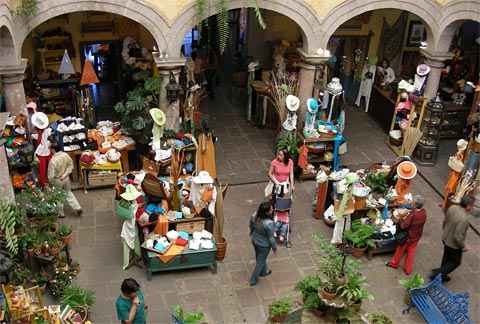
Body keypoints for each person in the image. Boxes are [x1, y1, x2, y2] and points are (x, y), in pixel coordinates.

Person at [430, 195, 475, 282]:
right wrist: (463, 246)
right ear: (468, 206)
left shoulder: (452, 208)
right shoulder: (463, 219)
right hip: (453, 244)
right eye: (472, 205)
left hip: (446, 237)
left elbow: (445, 221)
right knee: (455, 262)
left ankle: (442, 276)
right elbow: (458, 236)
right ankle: (437, 273)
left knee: (446, 257)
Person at [386, 195, 427, 275]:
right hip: (417, 236)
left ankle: (394, 264)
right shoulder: (423, 212)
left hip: (409, 237)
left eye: (412, 203)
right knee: (411, 252)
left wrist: (400, 219)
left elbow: (403, 225)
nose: (411, 204)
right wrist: (409, 211)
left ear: (415, 205)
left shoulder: (413, 215)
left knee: (400, 250)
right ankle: (408, 269)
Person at [47, 138, 82, 218]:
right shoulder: (65, 155)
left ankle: (61, 213)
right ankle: (77, 207)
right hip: (66, 178)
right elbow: (71, 166)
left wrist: (50, 183)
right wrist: (65, 174)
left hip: (57, 180)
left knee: (59, 196)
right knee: (68, 192)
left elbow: (51, 176)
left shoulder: (53, 161)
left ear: (53, 149)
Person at [249, 201, 277, 286]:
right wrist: (274, 248)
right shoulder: (269, 224)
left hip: (254, 240)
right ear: (266, 212)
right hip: (264, 245)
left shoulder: (254, 215)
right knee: (260, 261)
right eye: (271, 209)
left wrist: (252, 233)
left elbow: (251, 226)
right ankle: (253, 279)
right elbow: (271, 238)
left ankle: (264, 272)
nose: (272, 210)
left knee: (259, 257)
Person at [32, 112, 53, 186]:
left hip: (48, 151)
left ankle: (51, 181)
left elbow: (51, 139)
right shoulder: (35, 133)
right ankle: (44, 183)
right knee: (42, 169)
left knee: (51, 167)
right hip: (41, 153)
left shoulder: (48, 130)